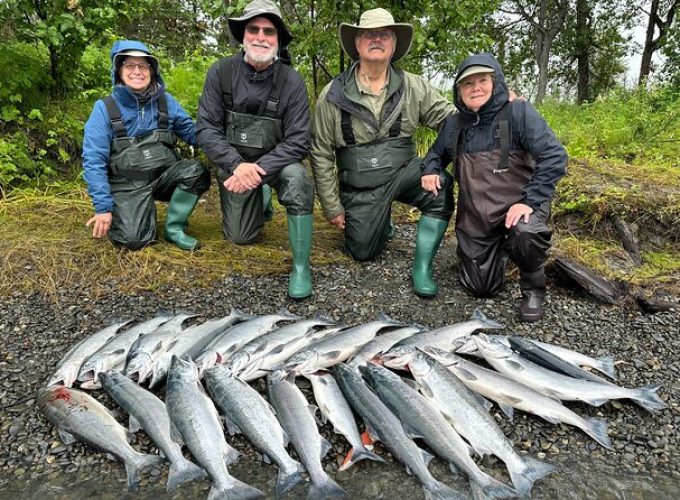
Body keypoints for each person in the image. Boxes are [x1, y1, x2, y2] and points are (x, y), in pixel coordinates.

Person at [310, 8, 455, 298]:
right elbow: (321, 152)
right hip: (359, 184)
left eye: (384, 35)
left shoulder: (414, 85)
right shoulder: (332, 94)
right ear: (357, 43)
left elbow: (452, 121)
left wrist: (495, 109)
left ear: (393, 44)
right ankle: (379, 219)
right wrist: (332, 207)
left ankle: (422, 268)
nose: (377, 39)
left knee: (441, 185)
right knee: (361, 251)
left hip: (404, 173)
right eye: (369, 34)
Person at [421, 52, 567, 321]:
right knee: (480, 288)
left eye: (482, 80)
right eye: (468, 83)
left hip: (519, 207)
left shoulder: (519, 111)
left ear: (496, 82)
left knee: (525, 231)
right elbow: (434, 154)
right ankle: (498, 251)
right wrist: (430, 169)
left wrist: (530, 201)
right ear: (459, 90)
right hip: (477, 217)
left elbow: (555, 156)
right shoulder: (453, 124)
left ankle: (533, 288)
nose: (476, 87)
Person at [196, 0, 314, 300]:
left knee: (298, 179)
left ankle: (301, 266)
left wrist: (257, 170)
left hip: (274, 167)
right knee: (240, 237)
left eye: (269, 31)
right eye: (253, 29)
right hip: (234, 165)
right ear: (242, 35)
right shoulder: (220, 72)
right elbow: (206, 130)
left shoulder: (293, 81)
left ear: (278, 39)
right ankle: (258, 202)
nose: (261, 37)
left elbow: (299, 140)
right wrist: (237, 165)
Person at [83, 40, 210, 251]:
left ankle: (174, 228)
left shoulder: (167, 102)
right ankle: (132, 212)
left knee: (195, 171)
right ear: (118, 70)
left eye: (143, 66)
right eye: (129, 66)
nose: (137, 71)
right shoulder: (104, 109)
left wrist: (221, 138)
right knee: (134, 241)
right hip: (126, 184)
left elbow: (195, 134)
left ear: (152, 70)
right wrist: (103, 207)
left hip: (162, 178)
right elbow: (93, 160)